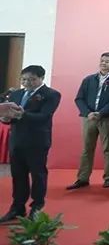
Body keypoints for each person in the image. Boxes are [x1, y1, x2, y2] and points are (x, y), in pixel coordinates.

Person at [0, 66, 61, 224]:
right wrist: (5, 118)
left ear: (41, 78)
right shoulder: (16, 94)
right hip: (17, 140)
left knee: (38, 174)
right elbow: (10, 117)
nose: (27, 82)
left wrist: (22, 114)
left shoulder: (51, 94)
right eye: (24, 79)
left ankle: (37, 207)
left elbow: (44, 116)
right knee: (18, 175)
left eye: (32, 79)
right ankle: (17, 207)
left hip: (37, 141)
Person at [69, 52, 109, 189]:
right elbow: (79, 98)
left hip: (107, 119)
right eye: (102, 60)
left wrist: (101, 113)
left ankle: (108, 178)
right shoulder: (89, 79)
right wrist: (88, 113)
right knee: (87, 149)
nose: (103, 63)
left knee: (108, 149)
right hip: (88, 118)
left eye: (107, 61)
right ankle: (82, 178)